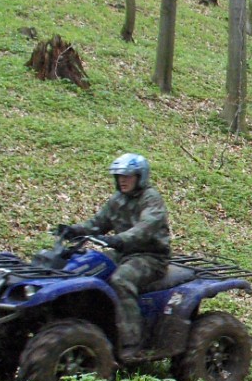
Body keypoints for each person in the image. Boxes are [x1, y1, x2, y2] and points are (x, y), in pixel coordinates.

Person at [58, 153, 171, 361]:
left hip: (150, 257)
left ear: (140, 177)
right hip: (123, 253)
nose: (122, 180)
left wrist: (119, 239)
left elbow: (145, 228)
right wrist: (73, 230)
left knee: (121, 280)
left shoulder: (151, 199)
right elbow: (97, 223)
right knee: (86, 267)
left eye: (128, 176)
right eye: (119, 176)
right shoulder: (118, 200)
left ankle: (132, 342)